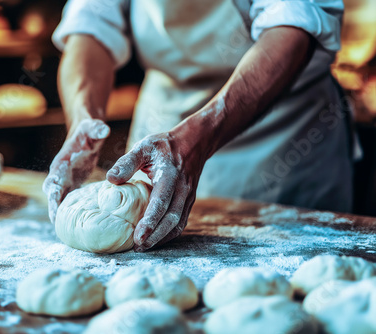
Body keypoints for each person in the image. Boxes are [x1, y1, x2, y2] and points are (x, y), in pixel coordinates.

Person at [43, 0, 359, 252]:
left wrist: (194, 140)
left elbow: (292, 27)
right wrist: (85, 119)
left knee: (283, 261)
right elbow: (90, 28)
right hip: (164, 125)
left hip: (281, 133)